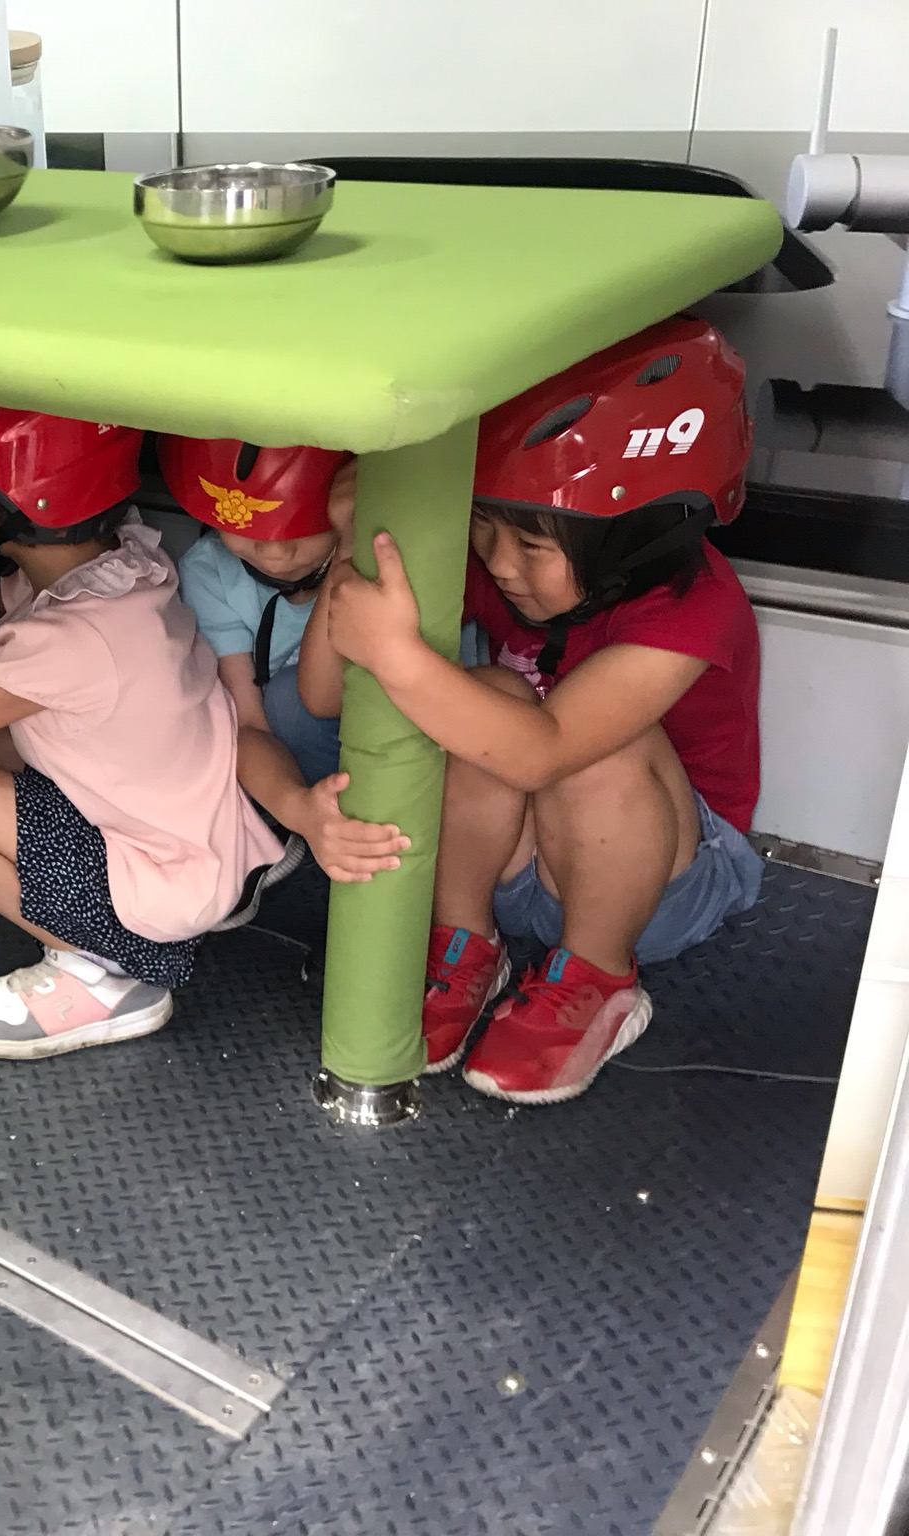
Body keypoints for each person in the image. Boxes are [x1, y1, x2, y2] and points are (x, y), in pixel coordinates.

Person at [302, 316, 763, 1103]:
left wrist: (399, 656)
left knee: (590, 745)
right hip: (518, 866)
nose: (500, 563)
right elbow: (322, 695)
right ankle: (465, 946)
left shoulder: (697, 607)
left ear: (633, 538)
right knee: (488, 698)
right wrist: (357, 540)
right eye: (484, 528)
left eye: (533, 546)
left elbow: (544, 751)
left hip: (663, 888)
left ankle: (599, 979)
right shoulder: (500, 565)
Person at [0, 396, 297, 1060]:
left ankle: (97, 968)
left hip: (153, 887)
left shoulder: (70, 638)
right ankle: (40, 892)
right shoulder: (121, 563)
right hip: (182, 839)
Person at [162, 436, 409, 888]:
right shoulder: (210, 571)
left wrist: (351, 548)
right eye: (250, 531)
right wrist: (302, 811)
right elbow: (247, 725)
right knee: (279, 705)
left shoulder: (386, 545)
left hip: (404, 737)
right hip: (307, 772)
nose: (275, 553)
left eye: (300, 528)